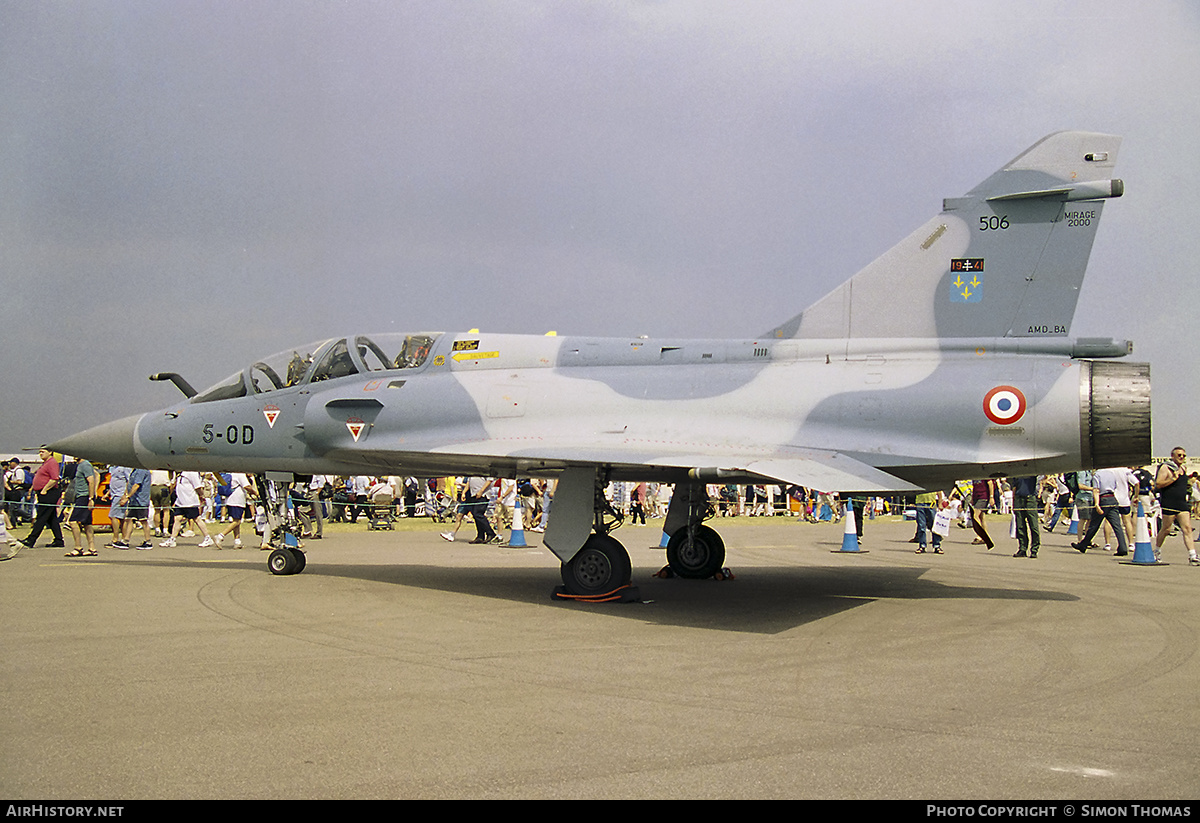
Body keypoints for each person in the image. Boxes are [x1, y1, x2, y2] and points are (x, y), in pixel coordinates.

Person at [1073, 467, 1130, 556]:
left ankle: (1083, 544)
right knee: (1117, 525)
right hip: (1112, 498)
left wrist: (1096, 504)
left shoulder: (1097, 475)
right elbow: (1115, 486)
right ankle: (1123, 547)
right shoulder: (1111, 474)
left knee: (1094, 525)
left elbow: (1096, 490)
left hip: (1102, 499)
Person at [1154, 447, 1196, 566]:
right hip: (1169, 503)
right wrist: (1173, 478)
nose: (1182, 457)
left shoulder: (1183, 468)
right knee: (1166, 529)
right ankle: (1157, 550)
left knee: (1187, 528)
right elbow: (1159, 483)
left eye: (1183, 455)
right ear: (1173, 456)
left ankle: (1192, 555)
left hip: (1182, 503)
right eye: (1179, 455)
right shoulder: (1166, 468)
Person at [19, 447, 65, 549]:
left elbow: (54, 478)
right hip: (43, 493)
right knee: (51, 518)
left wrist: (45, 489)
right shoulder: (46, 463)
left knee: (42, 516)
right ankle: (58, 540)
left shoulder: (52, 463)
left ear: (50, 452)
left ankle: (31, 539)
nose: (40, 454)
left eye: (43, 452)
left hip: (49, 493)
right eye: (39, 452)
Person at [160, 471, 215, 547]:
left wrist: (202, 496)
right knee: (177, 519)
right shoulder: (179, 474)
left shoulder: (191, 473)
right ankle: (172, 539)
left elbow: (198, 487)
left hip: (190, 501)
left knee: (197, 519)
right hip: (180, 501)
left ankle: (207, 538)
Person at [64, 456, 99, 557]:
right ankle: (92, 548)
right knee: (87, 523)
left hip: (84, 496)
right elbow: (96, 474)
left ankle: (78, 547)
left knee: (73, 521)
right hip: (80, 496)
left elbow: (91, 480)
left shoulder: (85, 465)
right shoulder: (81, 465)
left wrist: (91, 498)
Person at [214, 473, 255, 548]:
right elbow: (246, 486)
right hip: (237, 501)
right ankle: (220, 536)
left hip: (230, 500)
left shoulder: (232, 474)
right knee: (237, 521)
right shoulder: (240, 475)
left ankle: (237, 541)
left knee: (236, 520)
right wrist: (255, 492)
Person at [1010, 476, 1041, 558]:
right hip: (1018, 498)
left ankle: (1034, 549)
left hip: (1030, 498)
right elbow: (1014, 486)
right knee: (1020, 526)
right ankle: (1022, 548)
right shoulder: (1017, 471)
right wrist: (1013, 501)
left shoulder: (1031, 469)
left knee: (1033, 526)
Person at [969, 478, 996, 550]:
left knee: (975, 515)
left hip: (983, 496)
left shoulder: (984, 473)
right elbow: (974, 487)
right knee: (982, 517)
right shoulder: (975, 475)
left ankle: (980, 536)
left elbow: (990, 484)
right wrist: (972, 498)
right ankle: (985, 536)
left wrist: (991, 497)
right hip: (976, 496)